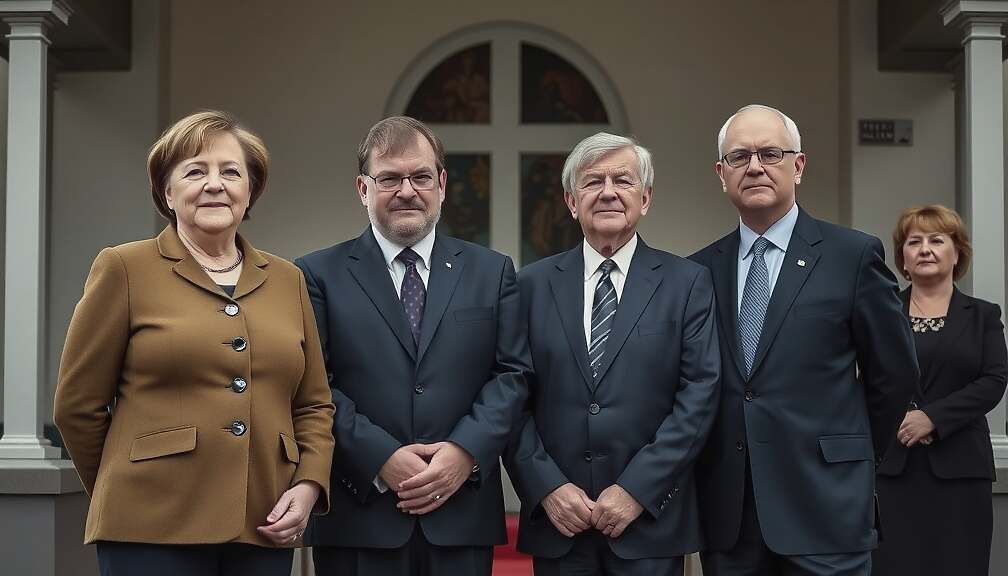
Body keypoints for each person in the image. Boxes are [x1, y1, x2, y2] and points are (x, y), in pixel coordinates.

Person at [53, 110, 335, 575]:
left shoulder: (288, 280)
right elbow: (77, 405)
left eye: (230, 172)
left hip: (264, 524)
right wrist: (125, 483)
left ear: (250, 191)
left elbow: (314, 404)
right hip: (149, 527)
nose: (214, 184)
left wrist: (307, 486)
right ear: (167, 191)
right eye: (195, 171)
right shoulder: (124, 267)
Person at [688, 104, 918, 576]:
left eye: (771, 153)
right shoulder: (697, 271)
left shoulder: (852, 256)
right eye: (739, 157)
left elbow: (893, 375)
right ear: (720, 173)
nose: (754, 167)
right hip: (733, 518)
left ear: (799, 165)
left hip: (826, 505)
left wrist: (849, 455)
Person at [295, 116, 530, 576]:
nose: (407, 190)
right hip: (358, 514)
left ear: (441, 183)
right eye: (389, 178)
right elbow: (313, 385)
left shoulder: (492, 271)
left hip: (461, 513)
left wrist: (463, 452)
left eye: (421, 176)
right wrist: (380, 456)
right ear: (363, 189)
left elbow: (513, 375)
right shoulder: (316, 274)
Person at [505, 132, 720, 576]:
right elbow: (509, 395)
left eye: (622, 180)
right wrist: (546, 488)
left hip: (649, 527)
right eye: (592, 181)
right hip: (561, 524)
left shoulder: (687, 283)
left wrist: (638, 489)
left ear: (645, 198)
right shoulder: (529, 285)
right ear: (570, 200)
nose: (607, 192)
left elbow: (699, 395)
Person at [872, 205, 1007, 575]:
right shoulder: (880, 312)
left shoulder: (983, 315)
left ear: (957, 251)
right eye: (914, 242)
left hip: (961, 472)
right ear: (902, 257)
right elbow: (865, 380)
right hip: (892, 470)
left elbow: (994, 380)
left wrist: (933, 417)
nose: (925, 249)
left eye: (937, 240)